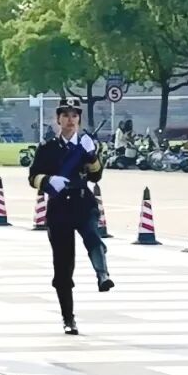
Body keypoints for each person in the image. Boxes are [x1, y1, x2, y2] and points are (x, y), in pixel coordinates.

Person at [28, 98, 113, 336]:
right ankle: (68, 317)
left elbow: (96, 176)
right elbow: (33, 176)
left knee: (93, 235)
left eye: (74, 115)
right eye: (65, 115)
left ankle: (103, 274)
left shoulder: (85, 144)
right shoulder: (47, 147)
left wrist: (92, 154)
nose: (70, 120)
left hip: (83, 202)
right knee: (63, 265)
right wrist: (48, 181)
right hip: (59, 208)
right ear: (58, 119)